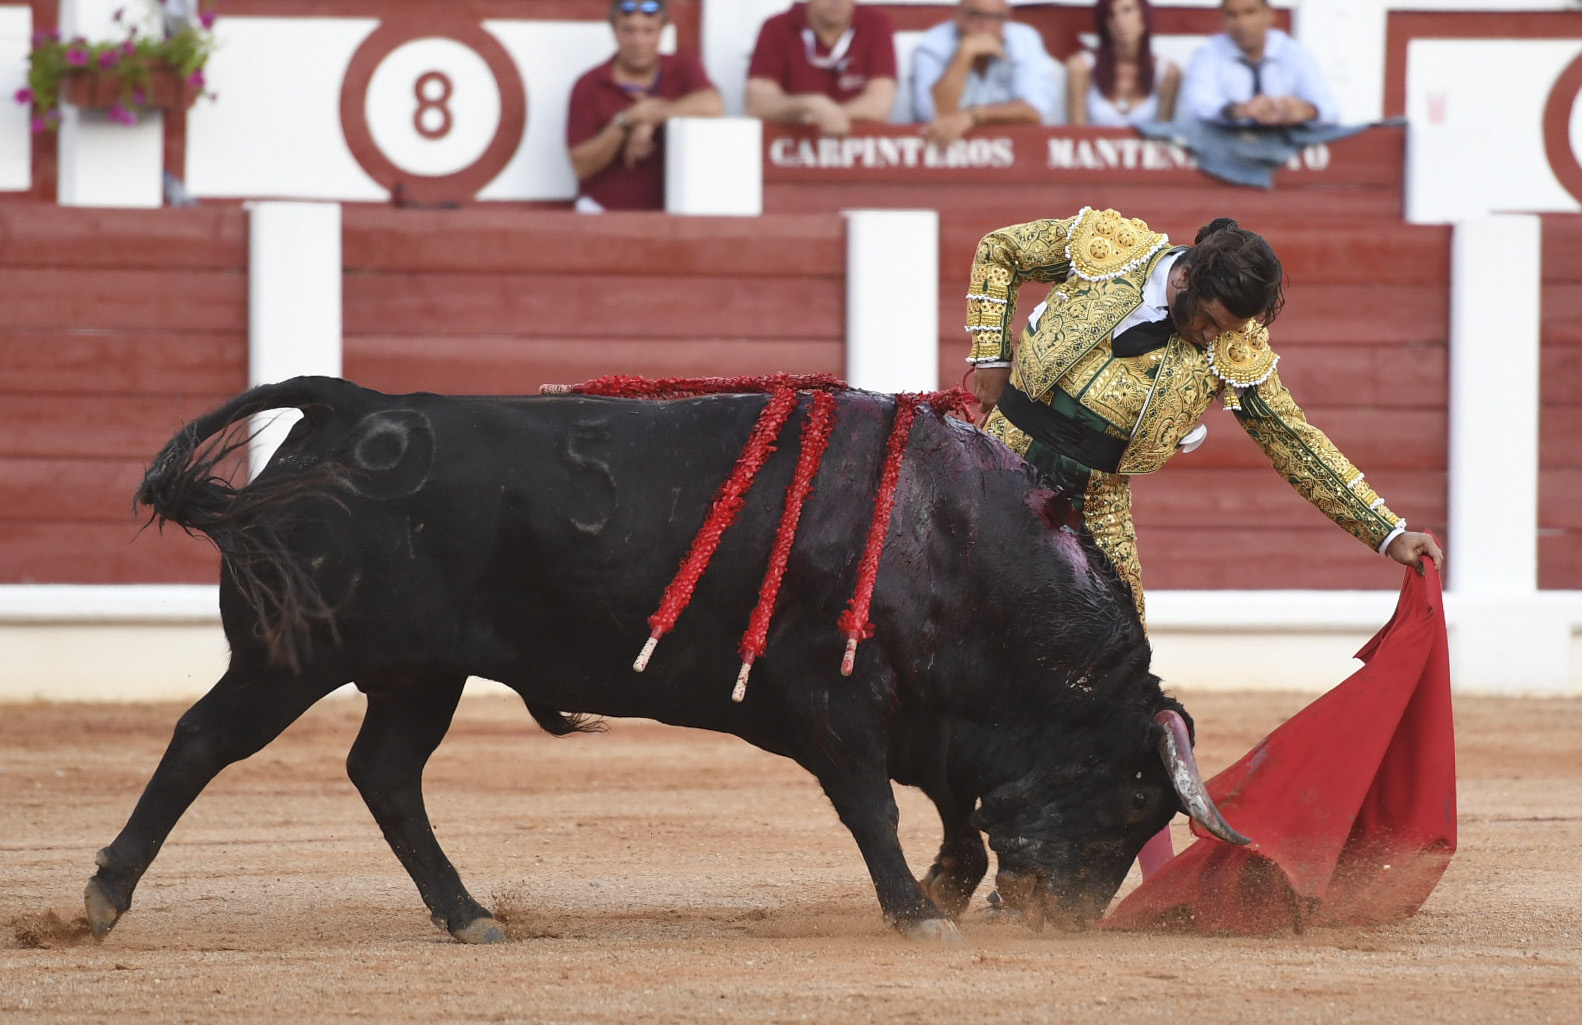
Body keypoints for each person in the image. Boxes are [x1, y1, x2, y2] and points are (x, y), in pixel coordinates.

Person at [963, 207, 1443, 628]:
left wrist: (1387, 533)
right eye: (1208, 322)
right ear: (1183, 278)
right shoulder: (1108, 249)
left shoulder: (1234, 347)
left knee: (1115, 664)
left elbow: (1293, 442)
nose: (1214, 338)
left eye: (1227, 329)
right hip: (1000, 459)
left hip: (1098, 500)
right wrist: (991, 359)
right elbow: (1001, 249)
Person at [566, 0, 723, 212]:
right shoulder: (590, 84)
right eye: (628, 31)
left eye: (648, 31)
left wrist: (650, 118)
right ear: (614, 31)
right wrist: (625, 121)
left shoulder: (683, 66)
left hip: (674, 212)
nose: (638, 41)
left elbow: (712, 104)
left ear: (662, 31)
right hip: (604, 211)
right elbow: (582, 166)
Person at [910, 0, 1061, 147]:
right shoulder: (933, 44)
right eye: (976, 15)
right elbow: (931, 114)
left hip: (1016, 153)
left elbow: (1036, 110)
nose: (985, 25)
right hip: (945, 155)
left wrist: (974, 116)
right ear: (957, 15)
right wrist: (963, 55)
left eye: (996, 18)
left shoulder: (1024, 39)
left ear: (1007, 19)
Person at [745, 0, 898, 137]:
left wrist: (831, 114)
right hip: (791, 152)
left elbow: (879, 105)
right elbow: (758, 104)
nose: (837, 2)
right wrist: (809, 104)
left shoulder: (876, 23)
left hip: (863, 152)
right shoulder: (777, 26)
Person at [1180, 0, 1338, 126]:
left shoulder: (1294, 53)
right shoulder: (1208, 54)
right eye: (1232, 15)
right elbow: (1196, 107)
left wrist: (1305, 111)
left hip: (1284, 149)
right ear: (1222, 19)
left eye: (1250, 12)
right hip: (1227, 150)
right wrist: (1241, 110)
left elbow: (1330, 110)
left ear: (1269, 14)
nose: (1242, 24)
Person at [1065, 0, 1180, 126]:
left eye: (1128, 10)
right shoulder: (1082, 67)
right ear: (1104, 22)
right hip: (1093, 145)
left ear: (1144, 14)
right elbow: (1075, 135)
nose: (1120, 21)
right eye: (1111, 14)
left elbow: (1163, 134)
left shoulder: (1166, 73)